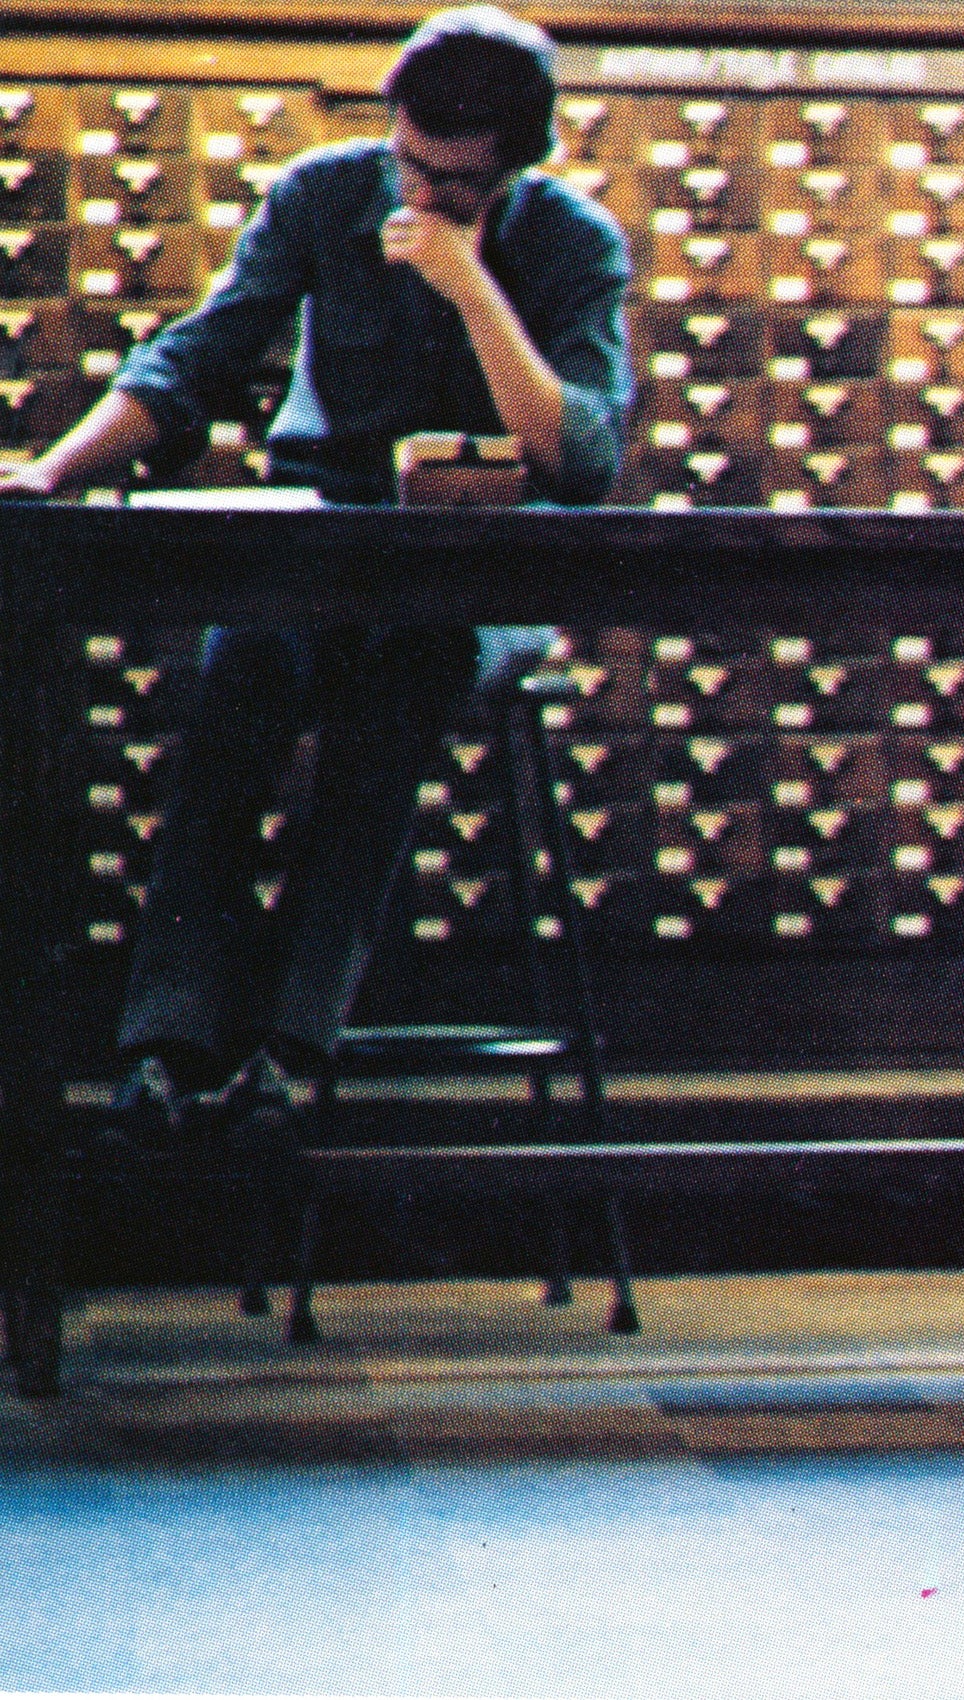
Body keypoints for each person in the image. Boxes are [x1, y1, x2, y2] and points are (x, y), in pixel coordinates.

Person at [0, 4, 633, 1148]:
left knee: (410, 674)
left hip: (474, 587)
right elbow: (199, 354)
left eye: (463, 184)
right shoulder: (322, 196)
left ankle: (289, 1055)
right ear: (391, 127)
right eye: (414, 167)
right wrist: (54, 470)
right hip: (321, 557)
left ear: (520, 168)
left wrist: (469, 283)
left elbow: (578, 460)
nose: (425, 197)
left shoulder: (571, 244)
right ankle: (166, 1048)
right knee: (243, 662)